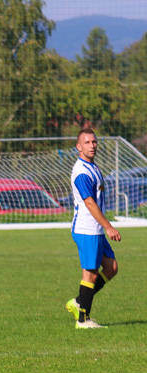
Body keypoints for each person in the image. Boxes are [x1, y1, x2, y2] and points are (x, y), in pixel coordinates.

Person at [64, 128, 121, 329]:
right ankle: (83, 320)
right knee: (90, 273)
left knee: (111, 268)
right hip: (87, 229)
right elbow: (89, 202)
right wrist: (108, 226)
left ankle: (79, 301)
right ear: (78, 147)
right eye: (87, 142)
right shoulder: (81, 172)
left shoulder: (93, 167)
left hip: (95, 229)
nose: (92, 145)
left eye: (94, 142)